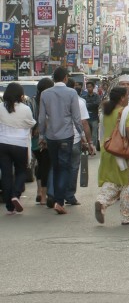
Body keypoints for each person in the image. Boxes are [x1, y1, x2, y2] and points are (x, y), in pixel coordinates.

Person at [37, 67, 85, 214]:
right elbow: (76, 118)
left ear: (54, 79)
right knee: (64, 168)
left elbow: (41, 118)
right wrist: (82, 135)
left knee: (56, 167)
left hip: (51, 136)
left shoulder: (45, 94)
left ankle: (55, 197)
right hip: (66, 136)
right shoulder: (71, 93)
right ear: (65, 78)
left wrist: (41, 136)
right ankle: (59, 201)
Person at [94, 86, 129, 225]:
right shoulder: (126, 112)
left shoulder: (105, 113)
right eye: (127, 96)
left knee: (113, 181)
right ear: (121, 98)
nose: (128, 98)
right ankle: (126, 216)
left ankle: (102, 201)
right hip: (123, 153)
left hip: (108, 152)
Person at [0, 83, 36, 213]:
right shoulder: (25, 109)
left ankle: (9, 206)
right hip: (19, 145)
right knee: (21, 171)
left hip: (2, 144)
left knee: (6, 174)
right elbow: (31, 123)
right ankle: (15, 195)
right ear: (20, 95)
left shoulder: (0, 107)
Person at [67, 78, 95, 206]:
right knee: (73, 167)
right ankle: (69, 195)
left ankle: (55, 195)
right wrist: (89, 141)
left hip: (57, 138)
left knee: (58, 167)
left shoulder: (53, 98)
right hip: (75, 139)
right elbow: (84, 123)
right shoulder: (79, 101)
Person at [31, 78, 54, 205]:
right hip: (45, 137)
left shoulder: (32, 100)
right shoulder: (49, 101)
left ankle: (39, 192)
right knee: (46, 166)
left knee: (40, 165)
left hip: (34, 139)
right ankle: (44, 196)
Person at [83, 81, 101, 148]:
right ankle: (88, 147)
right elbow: (84, 105)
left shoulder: (97, 96)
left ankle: (94, 147)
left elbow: (97, 104)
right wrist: (91, 105)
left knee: (94, 134)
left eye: (90, 87)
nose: (89, 88)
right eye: (87, 87)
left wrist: (88, 105)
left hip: (94, 117)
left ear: (93, 87)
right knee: (87, 133)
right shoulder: (84, 96)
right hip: (86, 118)